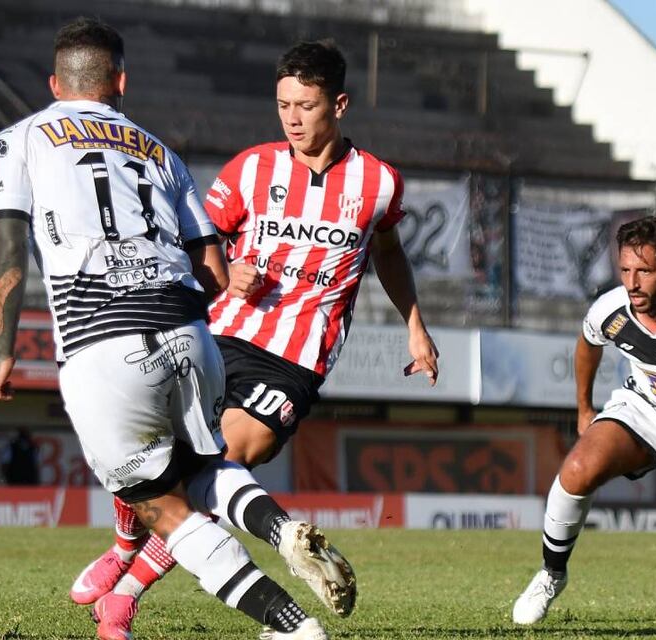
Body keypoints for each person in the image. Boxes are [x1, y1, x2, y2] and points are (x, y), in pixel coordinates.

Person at [71, 38, 440, 631]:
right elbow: (194, 242)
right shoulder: (252, 168)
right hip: (220, 333)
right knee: (153, 446)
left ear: (339, 105)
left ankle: (128, 593)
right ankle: (121, 553)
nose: (293, 118)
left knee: (225, 459)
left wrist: (416, 327)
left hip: (296, 357)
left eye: (307, 105)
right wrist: (223, 269)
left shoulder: (378, 184)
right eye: (283, 104)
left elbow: (389, 254)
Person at [0, 17, 330, 640]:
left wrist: (2, 350)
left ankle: (291, 627)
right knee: (201, 472)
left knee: (162, 508)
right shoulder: (158, 149)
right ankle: (281, 530)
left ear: (54, 83)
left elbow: (9, 241)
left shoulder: (23, 137)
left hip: (102, 337)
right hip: (190, 334)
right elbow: (211, 269)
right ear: (120, 81)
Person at [512, 216, 656, 630]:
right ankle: (551, 574)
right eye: (625, 270)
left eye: (644, 271)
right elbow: (587, 345)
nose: (632, 282)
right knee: (578, 469)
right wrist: (584, 408)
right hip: (646, 408)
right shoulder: (611, 310)